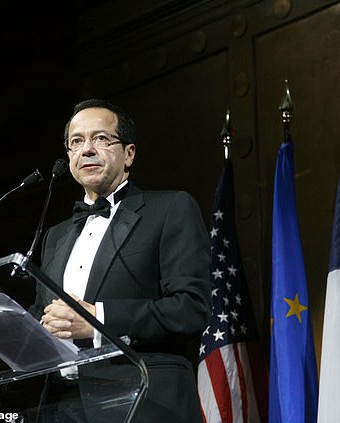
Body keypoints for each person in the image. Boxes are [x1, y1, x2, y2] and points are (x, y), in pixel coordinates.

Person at [30, 99, 212, 422]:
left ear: (128, 154)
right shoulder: (54, 237)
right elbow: (43, 317)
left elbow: (190, 308)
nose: (87, 150)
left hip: (143, 403)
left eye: (101, 138)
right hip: (61, 409)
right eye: (77, 141)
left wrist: (98, 319)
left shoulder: (169, 210)